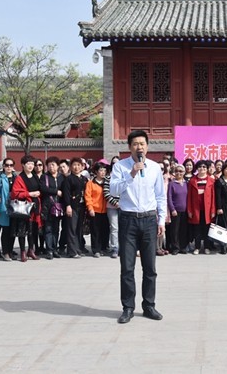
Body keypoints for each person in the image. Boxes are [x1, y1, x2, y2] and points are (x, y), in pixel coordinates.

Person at [110, 130, 166, 324]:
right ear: (129, 147)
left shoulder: (155, 168)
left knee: (150, 267)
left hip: (149, 219)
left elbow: (160, 196)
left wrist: (161, 220)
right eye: (135, 144)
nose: (139, 147)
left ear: (147, 146)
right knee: (127, 267)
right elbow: (114, 190)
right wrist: (131, 174)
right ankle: (128, 307)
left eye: (142, 144)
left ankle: (149, 305)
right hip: (128, 220)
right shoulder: (120, 167)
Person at [10, 155, 43, 262]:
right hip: (24, 207)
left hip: (35, 207)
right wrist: (29, 194)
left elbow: (41, 189)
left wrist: (38, 193)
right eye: (28, 164)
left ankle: (31, 250)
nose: (30, 166)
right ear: (23, 165)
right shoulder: (19, 178)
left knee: (33, 230)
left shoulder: (35, 176)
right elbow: (15, 193)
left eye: (32, 164)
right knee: (22, 231)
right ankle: (23, 252)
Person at [187, 160, 216, 254]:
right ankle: (197, 247)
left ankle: (207, 247)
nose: (202, 168)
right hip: (196, 209)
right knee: (197, 229)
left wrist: (213, 210)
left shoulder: (211, 180)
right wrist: (189, 210)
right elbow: (189, 197)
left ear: (207, 169)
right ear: (197, 168)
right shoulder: (192, 181)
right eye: (200, 167)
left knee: (207, 228)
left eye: (204, 167)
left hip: (207, 209)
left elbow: (213, 197)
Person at [62, 158, 88, 258]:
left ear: (82, 167)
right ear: (70, 167)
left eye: (78, 165)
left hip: (82, 206)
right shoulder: (68, 179)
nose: (76, 167)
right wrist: (68, 205)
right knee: (72, 229)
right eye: (74, 165)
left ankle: (78, 249)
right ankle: (71, 251)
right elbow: (66, 193)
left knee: (79, 229)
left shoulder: (84, 179)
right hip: (72, 206)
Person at [40, 156, 64, 260]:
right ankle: (49, 250)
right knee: (48, 229)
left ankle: (55, 249)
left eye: (53, 165)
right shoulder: (44, 177)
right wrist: (56, 191)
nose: (51, 167)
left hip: (59, 207)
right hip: (48, 207)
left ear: (58, 166)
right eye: (49, 165)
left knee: (56, 229)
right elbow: (43, 189)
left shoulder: (61, 177)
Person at [0, 158, 17, 261]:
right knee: (5, 231)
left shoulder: (16, 178)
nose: (9, 167)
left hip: (14, 207)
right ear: (3, 166)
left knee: (12, 230)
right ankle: (5, 252)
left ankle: (10, 251)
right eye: (7, 165)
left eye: (11, 165)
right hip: (3, 208)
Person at [85, 162, 110, 258]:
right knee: (95, 231)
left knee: (105, 230)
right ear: (96, 171)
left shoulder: (107, 183)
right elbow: (88, 197)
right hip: (95, 210)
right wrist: (90, 208)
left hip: (106, 210)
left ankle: (104, 248)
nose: (103, 172)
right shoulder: (90, 183)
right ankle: (96, 250)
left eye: (104, 170)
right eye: (101, 170)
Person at [167, 164, 188, 254]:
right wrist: (172, 209)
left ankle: (183, 247)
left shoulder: (186, 183)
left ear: (184, 172)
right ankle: (175, 247)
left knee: (183, 230)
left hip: (185, 210)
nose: (178, 173)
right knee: (174, 230)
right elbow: (169, 197)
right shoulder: (172, 184)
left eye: (181, 171)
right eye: (176, 171)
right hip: (176, 211)